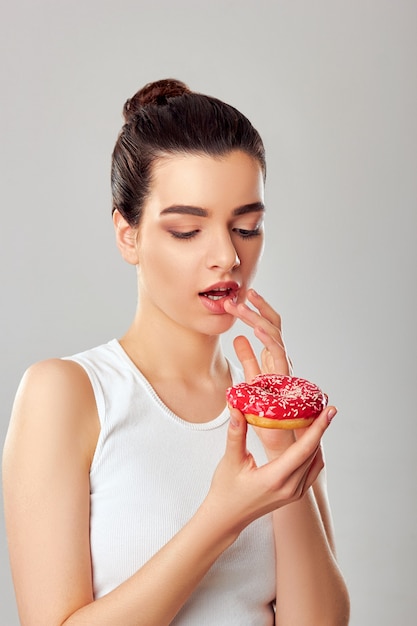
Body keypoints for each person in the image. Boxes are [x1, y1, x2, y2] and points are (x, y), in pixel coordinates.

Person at [3, 78, 350, 625]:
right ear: (128, 235)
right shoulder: (66, 394)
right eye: (188, 230)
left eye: (246, 227)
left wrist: (282, 445)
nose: (227, 257)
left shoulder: (266, 410)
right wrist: (220, 518)